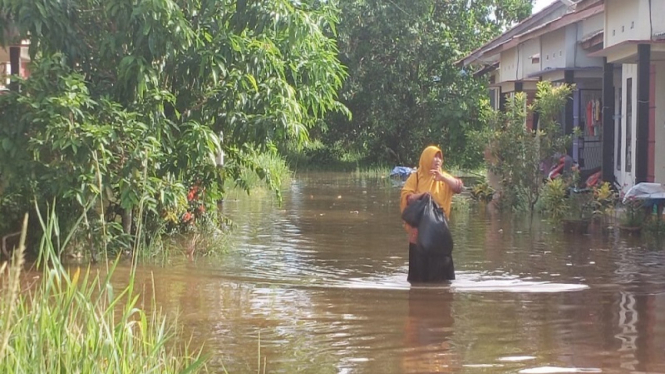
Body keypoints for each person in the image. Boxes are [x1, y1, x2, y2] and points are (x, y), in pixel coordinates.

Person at [400, 145, 464, 282]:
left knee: (442, 280)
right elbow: (407, 198)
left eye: (440, 157)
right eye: (434, 156)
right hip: (418, 234)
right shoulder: (415, 177)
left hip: (439, 234)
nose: (437, 160)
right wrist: (423, 195)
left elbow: (459, 187)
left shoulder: (443, 178)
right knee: (417, 279)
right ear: (426, 158)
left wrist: (443, 178)